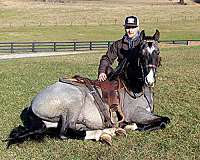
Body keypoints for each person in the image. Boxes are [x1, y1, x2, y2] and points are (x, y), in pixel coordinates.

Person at [98, 16, 153, 112]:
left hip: (139, 78)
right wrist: (102, 71)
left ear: (138, 28)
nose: (130, 30)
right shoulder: (118, 44)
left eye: (133, 27)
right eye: (128, 27)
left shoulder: (143, 44)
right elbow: (107, 58)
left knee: (148, 105)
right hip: (123, 77)